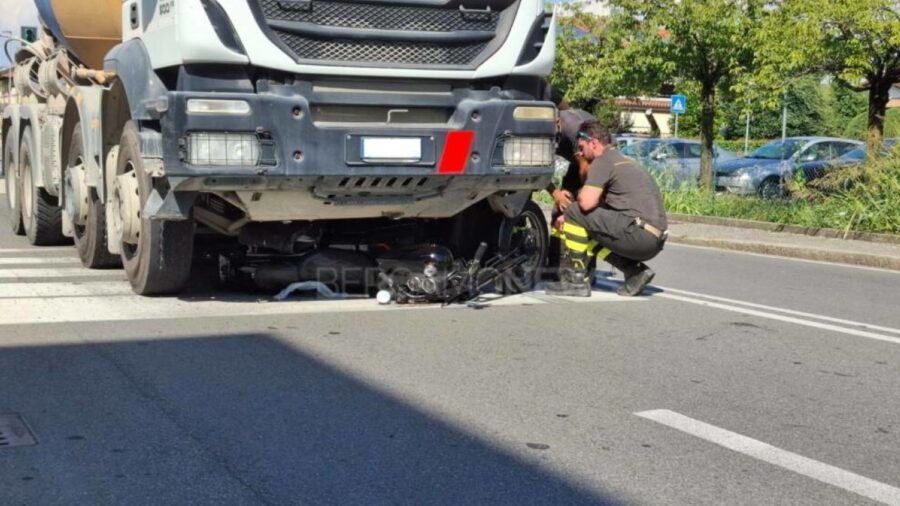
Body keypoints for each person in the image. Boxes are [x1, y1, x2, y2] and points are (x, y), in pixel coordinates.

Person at [546, 120, 668, 297]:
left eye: (582, 147)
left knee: (574, 212)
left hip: (639, 233)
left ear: (593, 142)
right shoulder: (622, 159)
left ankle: (575, 281)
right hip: (653, 238)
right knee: (587, 229)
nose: (580, 152)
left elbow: (586, 203)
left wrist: (572, 208)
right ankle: (635, 272)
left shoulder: (602, 161)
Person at [544, 100, 596, 278]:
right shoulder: (543, 129)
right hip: (576, 163)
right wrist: (556, 193)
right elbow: (540, 168)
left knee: (582, 212)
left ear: (557, 122)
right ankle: (554, 265)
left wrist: (582, 195)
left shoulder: (574, 128)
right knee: (559, 210)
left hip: (592, 164)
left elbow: (585, 169)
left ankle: (586, 269)